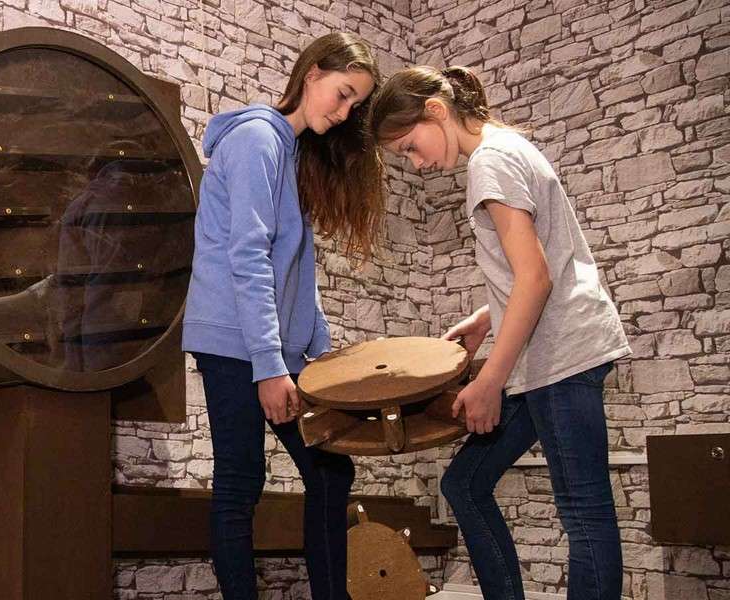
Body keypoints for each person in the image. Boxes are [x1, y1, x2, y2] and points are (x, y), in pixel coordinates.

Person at [368, 65, 631, 600]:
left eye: (409, 147)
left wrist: (490, 381)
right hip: (551, 352)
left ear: (436, 111)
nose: (416, 163)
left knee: (584, 513)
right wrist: (486, 316)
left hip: (561, 354)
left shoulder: (490, 163)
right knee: (463, 483)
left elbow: (535, 276)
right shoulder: (510, 147)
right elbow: (537, 263)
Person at [181, 32, 386, 600]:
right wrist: (270, 368)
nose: (343, 113)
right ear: (312, 72)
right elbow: (247, 256)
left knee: (330, 470)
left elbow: (295, 270)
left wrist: (321, 355)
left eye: (353, 107)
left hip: (271, 347)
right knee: (241, 482)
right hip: (233, 341)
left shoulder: (291, 153)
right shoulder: (255, 140)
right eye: (342, 95)